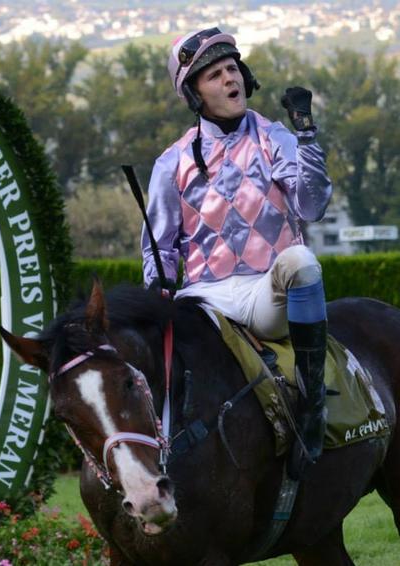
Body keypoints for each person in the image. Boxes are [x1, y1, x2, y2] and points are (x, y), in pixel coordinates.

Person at [141, 28, 333, 479]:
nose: (230, 79)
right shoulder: (171, 163)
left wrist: (307, 137)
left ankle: (312, 404)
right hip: (206, 301)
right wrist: (157, 294)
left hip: (266, 297)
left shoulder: (275, 136)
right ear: (195, 94)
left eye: (233, 69)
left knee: (303, 262)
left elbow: (312, 207)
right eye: (215, 75)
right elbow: (159, 248)